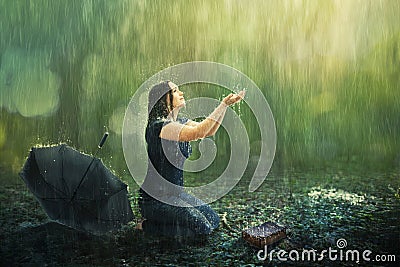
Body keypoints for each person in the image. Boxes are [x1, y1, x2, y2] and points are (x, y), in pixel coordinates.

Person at [138, 80, 245, 236]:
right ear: (163, 98)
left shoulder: (179, 122)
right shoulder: (160, 126)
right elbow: (198, 132)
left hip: (177, 194)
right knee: (202, 230)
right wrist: (222, 105)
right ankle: (146, 226)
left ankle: (160, 223)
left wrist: (226, 106)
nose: (181, 93)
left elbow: (208, 131)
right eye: (175, 91)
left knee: (213, 220)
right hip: (156, 200)